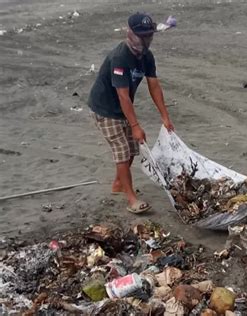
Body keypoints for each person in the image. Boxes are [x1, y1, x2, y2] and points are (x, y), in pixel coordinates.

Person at [88, 12, 174, 214]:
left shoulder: (146, 57)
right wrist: (135, 126)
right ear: (130, 33)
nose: (145, 40)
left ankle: (118, 184)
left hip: (123, 109)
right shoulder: (120, 57)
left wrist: (165, 117)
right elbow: (123, 96)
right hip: (105, 108)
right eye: (141, 36)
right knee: (122, 151)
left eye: (149, 36)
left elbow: (154, 86)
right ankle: (131, 198)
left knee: (133, 149)